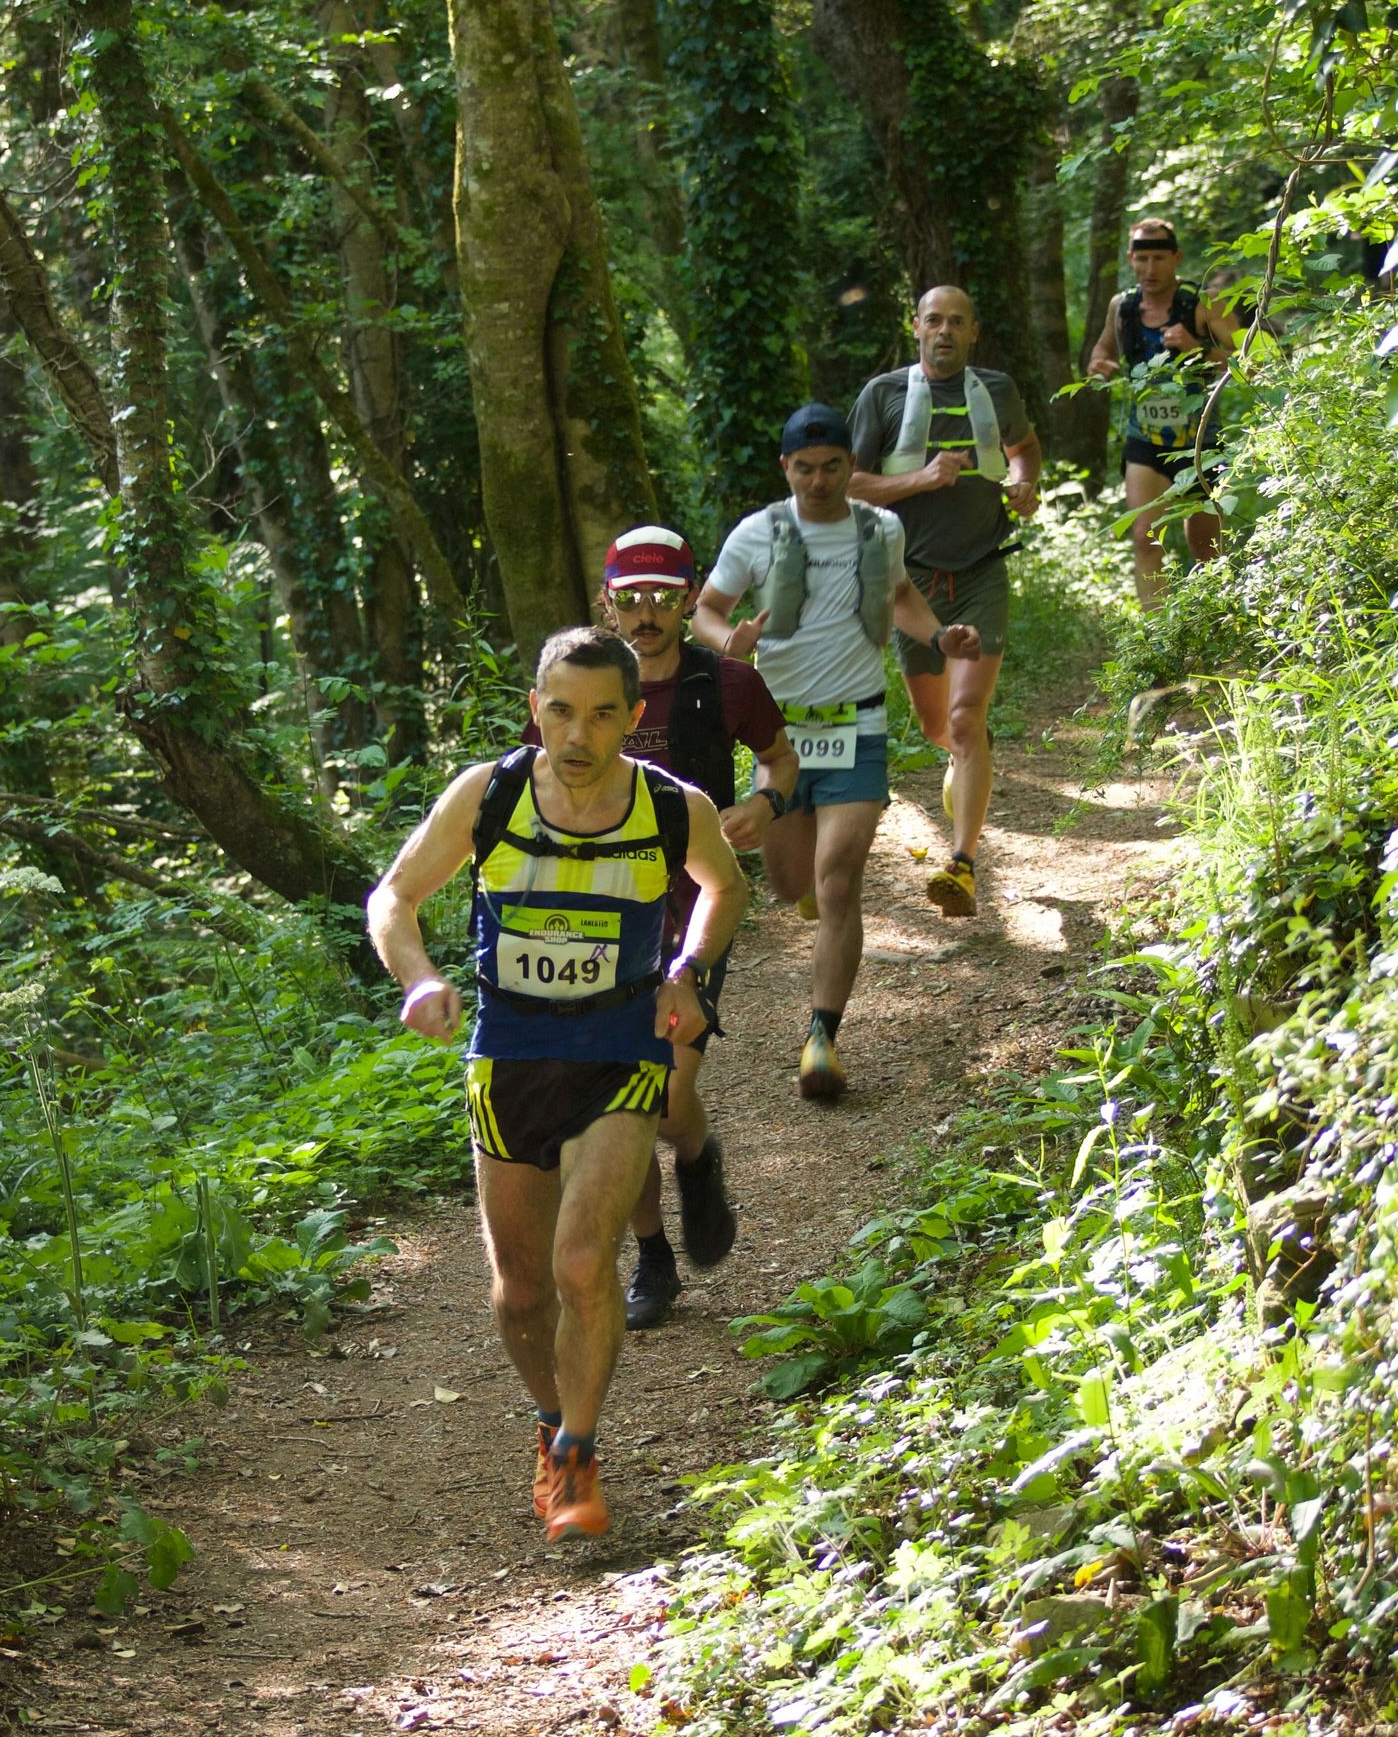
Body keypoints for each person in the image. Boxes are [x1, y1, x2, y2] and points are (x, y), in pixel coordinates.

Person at [367, 627, 747, 1544]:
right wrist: (417, 978)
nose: (579, 735)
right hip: (510, 1051)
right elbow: (392, 898)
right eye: (563, 712)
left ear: (633, 715)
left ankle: (579, 1452)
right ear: (536, 708)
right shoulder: (490, 793)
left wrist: (688, 971)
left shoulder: (671, 806)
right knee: (523, 1287)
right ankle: (549, 1422)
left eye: (604, 714)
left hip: (621, 1047)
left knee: (582, 1261)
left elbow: (725, 888)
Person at [693, 404, 981, 1102]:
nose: (818, 481)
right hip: (780, 738)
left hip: (859, 726)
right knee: (791, 882)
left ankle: (822, 1038)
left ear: (851, 466)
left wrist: (938, 636)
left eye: (831, 468)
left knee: (837, 880)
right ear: (785, 468)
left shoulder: (880, 528)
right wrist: (728, 642)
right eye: (804, 469)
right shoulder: (757, 533)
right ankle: (812, 905)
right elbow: (705, 608)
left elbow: (901, 594)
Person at [597, 523, 799, 1331]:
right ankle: (652, 1255)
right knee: (619, 1099)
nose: (646, 614)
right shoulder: (579, 683)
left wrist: (764, 803)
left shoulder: (729, 684)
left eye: (662, 597)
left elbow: (781, 759)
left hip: (694, 912)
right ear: (607, 604)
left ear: (688, 600)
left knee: (667, 1094)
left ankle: (695, 1153)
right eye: (631, 599)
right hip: (597, 919)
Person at [847, 284, 1041, 920]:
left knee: (964, 718)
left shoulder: (997, 391)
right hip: (911, 583)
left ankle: (962, 864)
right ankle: (965, 755)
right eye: (934, 320)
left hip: (982, 571)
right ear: (916, 327)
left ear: (974, 331)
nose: (945, 331)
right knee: (939, 728)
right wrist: (922, 478)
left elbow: (1024, 448)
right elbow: (848, 484)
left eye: (958, 321)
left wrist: (1023, 482)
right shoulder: (883, 395)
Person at [1086, 216, 1235, 610]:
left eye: (1158, 258)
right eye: (1142, 259)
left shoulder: (1202, 302)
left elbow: (1249, 360)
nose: (1150, 268)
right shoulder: (1122, 307)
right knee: (1144, 537)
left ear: (1176, 258)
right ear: (1130, 259)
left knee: (1206, 547)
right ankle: (1159, 636)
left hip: (1200, 441)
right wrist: (1098, 365)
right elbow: (1103, 349)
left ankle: (1215, 626)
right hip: (1145, 440)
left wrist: (1197, 349)